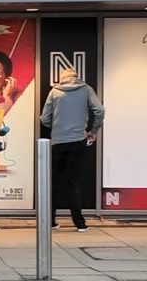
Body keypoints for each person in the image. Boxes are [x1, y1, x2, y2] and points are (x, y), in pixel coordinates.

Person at [40, 67, 105, 232]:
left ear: (62, 78)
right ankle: (80, 224)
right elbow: (99, 110)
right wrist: (93, 131)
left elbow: (44, 118)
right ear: (76, 77)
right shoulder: (86, 89)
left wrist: (56, 127)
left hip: (58, 142)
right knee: (72, 182)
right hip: (77, 141)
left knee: (54, 182)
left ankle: (51, 222)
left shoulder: (54, 91)